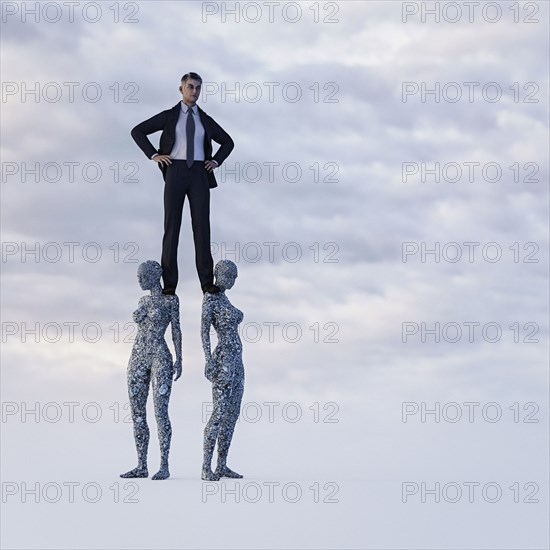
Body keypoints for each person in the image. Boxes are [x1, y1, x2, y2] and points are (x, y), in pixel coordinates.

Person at [131, 72, 235, 295]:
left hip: (199, 173)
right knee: (172, 227)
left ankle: (207, 283)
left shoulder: (204, 119)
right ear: (181, 89)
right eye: (190, 87)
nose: (194, 91)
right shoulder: (169, 116)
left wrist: (216, 160)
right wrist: (154, 155)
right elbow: (137, 131)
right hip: (175, 171)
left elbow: (228, 142)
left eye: (198, 87)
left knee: (202, 227)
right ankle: (169, 285)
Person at [120, 260, 182, 480]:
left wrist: (180, 358)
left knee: (160, 412)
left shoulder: (170, 300)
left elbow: (176, 330)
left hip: (159, 356)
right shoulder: (143, 300)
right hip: (137, 355)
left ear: (155, 275)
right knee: (137, 414)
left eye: (142, 276)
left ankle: (164, 465)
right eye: (138, 276)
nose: (139, 280)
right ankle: (141, 465)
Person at [201, 260, 245, 480]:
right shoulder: (210, 298)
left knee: (233, 413)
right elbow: (204, 330)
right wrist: (208, 359)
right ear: (218, 274)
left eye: (235, 276)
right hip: (224, 359)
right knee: (219, 413)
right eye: (229, 275)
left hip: (238, 360)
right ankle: (206, 467)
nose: (232, 280)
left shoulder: (225, 300)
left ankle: (222, 464)